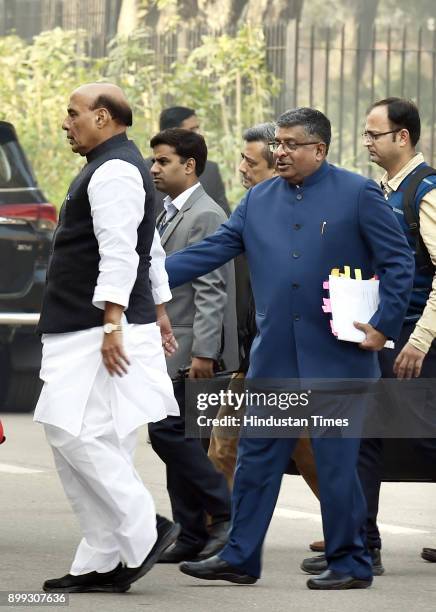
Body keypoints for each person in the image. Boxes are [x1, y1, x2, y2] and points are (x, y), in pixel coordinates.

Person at [165, 107, 414, 590]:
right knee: (257, 460)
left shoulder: (357, 194)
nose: (280, 152)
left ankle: (350, 563)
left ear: (319, 149)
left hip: (338, 358)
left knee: (336, 465)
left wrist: (383, 327)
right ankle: (239, 556)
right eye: (277, 143)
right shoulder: (258, 200)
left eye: (291, 144)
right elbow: (214, 249)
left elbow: (399, 261)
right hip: (275, 358)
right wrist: (149, 277)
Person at [34, 83, 180, 593]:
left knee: (72, 432)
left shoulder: (114, 169)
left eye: (72, 113)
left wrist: (114, 323)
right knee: (96, 438)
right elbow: (153, 248)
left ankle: (144, 530)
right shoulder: (111, 164)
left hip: (94, 328)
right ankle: (102, 556)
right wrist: (158, 310)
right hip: (97, 325)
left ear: (102, 116)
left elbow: (124, 252)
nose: (65, 122)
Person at [207, 123, 320, 518]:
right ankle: (214, 527)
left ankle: (355, 527)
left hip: (286, 357)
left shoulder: (300, 216)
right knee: (224, 443)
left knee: (306, 450)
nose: (241, 167)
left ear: (276, 168)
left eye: (249, 161)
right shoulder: (252, 209)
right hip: (255, 354)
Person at [148, 127, 238, 563]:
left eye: (163, 161)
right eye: (154, 161)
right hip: (169, 348)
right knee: (180, 440)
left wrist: (204, 351)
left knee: (168, 433)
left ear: (189, 165)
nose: (154, 169)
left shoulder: (206, 214)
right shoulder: (169, 211)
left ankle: (225, 511)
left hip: (189, 351)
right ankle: (189, 533)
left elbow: (211, 289)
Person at [360, 98, 436, 565]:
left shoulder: (423, 192)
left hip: (416, 337)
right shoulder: (383, 190)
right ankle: (363, 544)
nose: (366, 142)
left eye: (374, 134)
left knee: (423, 437)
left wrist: (420, 340)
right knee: (365, 433)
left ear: (402, 137)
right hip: (386, 335)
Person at [145, 106, 230, 216]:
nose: (199, 134)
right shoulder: (142, 171)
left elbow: (224, 218)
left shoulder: (210, 171)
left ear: (190, 166)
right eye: (192, 130)